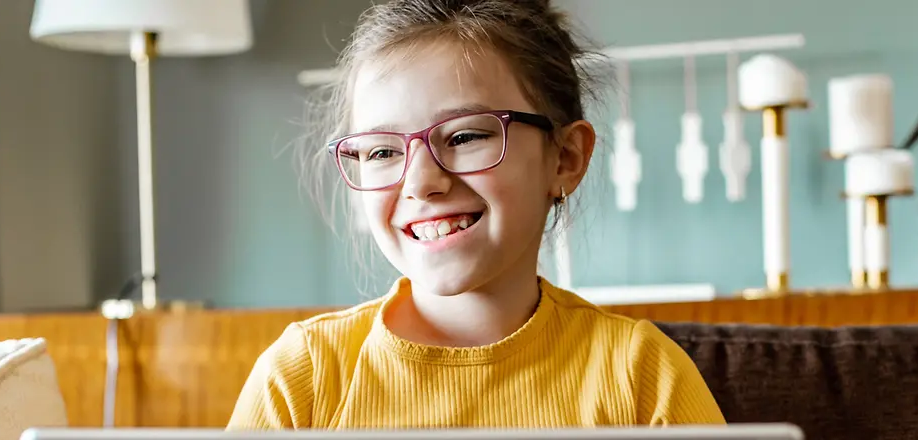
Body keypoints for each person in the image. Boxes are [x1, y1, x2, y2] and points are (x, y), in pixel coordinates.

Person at [227, 0, 725, 429]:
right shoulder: (304, 378)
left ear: (566, 159)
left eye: (465, 136)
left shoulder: (642, 376)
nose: (421, 182)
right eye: (382, 152)